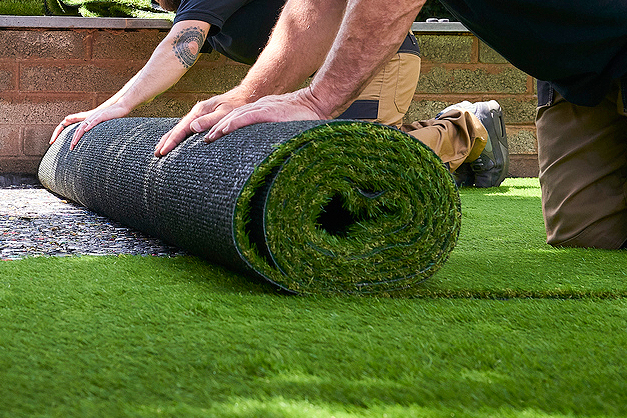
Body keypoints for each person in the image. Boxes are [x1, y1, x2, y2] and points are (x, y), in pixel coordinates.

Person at [157, 0, 626, 249]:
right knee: (587, 236)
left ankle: (468, 128)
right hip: (573, 74)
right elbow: (316, 9)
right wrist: (246, 96)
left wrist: (319, 100)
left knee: (361, 145)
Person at [51, 0, 509, 188]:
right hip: (323, 78)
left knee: (352, 163)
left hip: (374, 60)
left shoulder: (199, 4)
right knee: (317, 168)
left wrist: (119, 104)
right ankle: (452, 151)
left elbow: (180, 46)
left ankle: (466, 129)